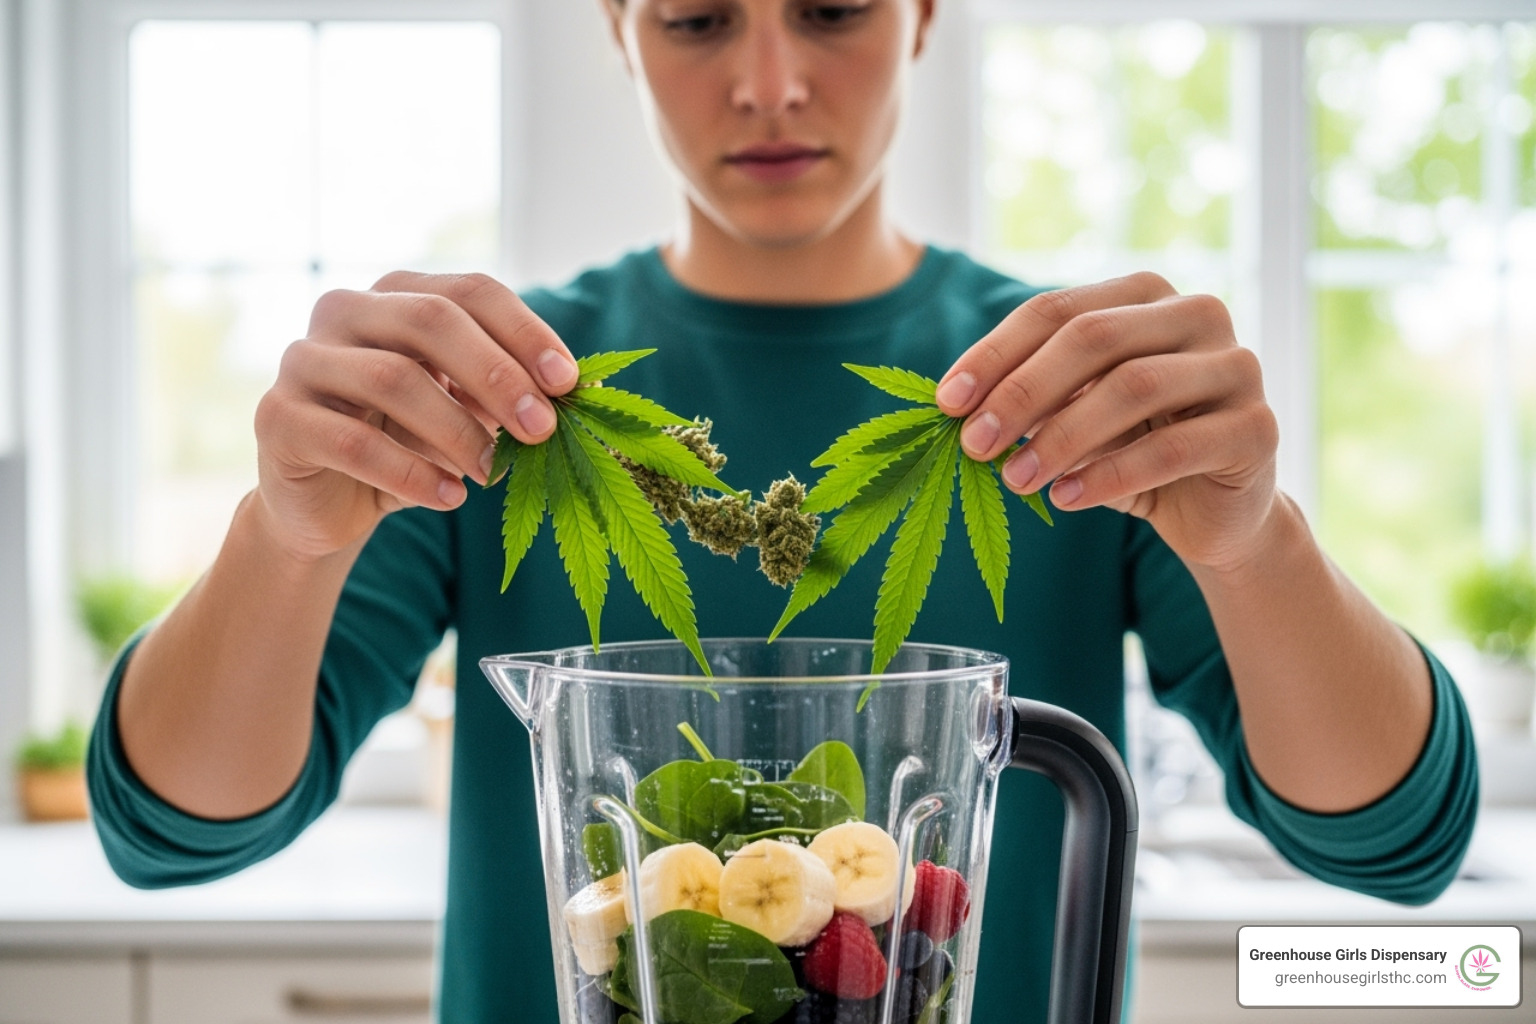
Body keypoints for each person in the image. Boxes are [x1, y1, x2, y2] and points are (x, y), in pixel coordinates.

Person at [87, 1, 1478, 1021]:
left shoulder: (1073, 399)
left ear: (922, 16)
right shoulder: (499, 398)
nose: (769, 84)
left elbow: (1391, 841)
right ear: (620, 28)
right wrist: (286, 532)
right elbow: (176, 828)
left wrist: (1256, 541)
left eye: (832, 11)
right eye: (698, 21)